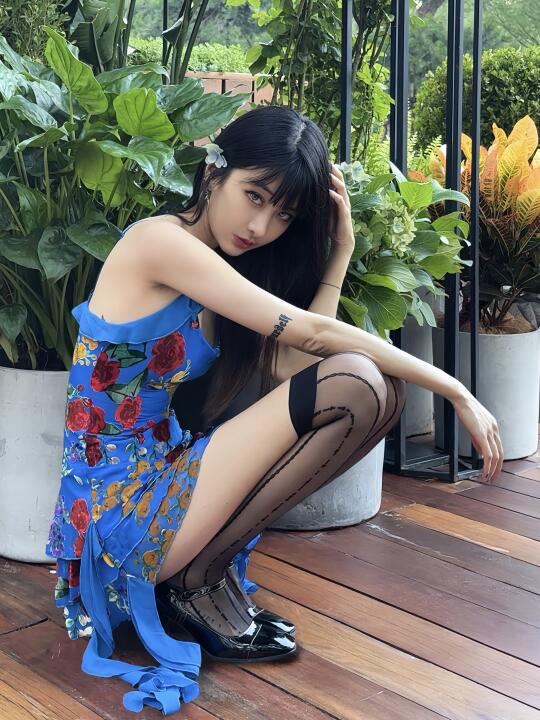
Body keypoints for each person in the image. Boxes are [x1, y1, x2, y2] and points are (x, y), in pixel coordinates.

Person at [45, 104, 503, 715]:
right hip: (116, 510)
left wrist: (339, 253)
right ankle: (194, 579)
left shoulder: (220, 264)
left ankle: (197, 574)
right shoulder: (159, 242)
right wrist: (455, 388)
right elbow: (316, 341)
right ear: (214, 172)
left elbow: (294, 366)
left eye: (283, 213)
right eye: (254, 195)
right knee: (360, 384)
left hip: (157, 475)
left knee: (376, 390)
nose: (261, 226)